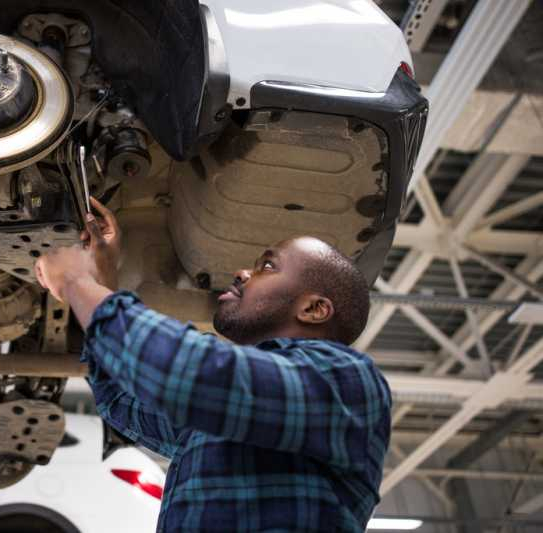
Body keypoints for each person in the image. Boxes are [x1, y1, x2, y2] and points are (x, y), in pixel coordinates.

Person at [35, 198, 391, 533]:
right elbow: (122, 401)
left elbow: (185, 376)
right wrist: (102, 280)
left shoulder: (346, 383)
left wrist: (76, 282)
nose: (241, 272)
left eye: (267, 266)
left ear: (313, 309)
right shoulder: (230, 420)